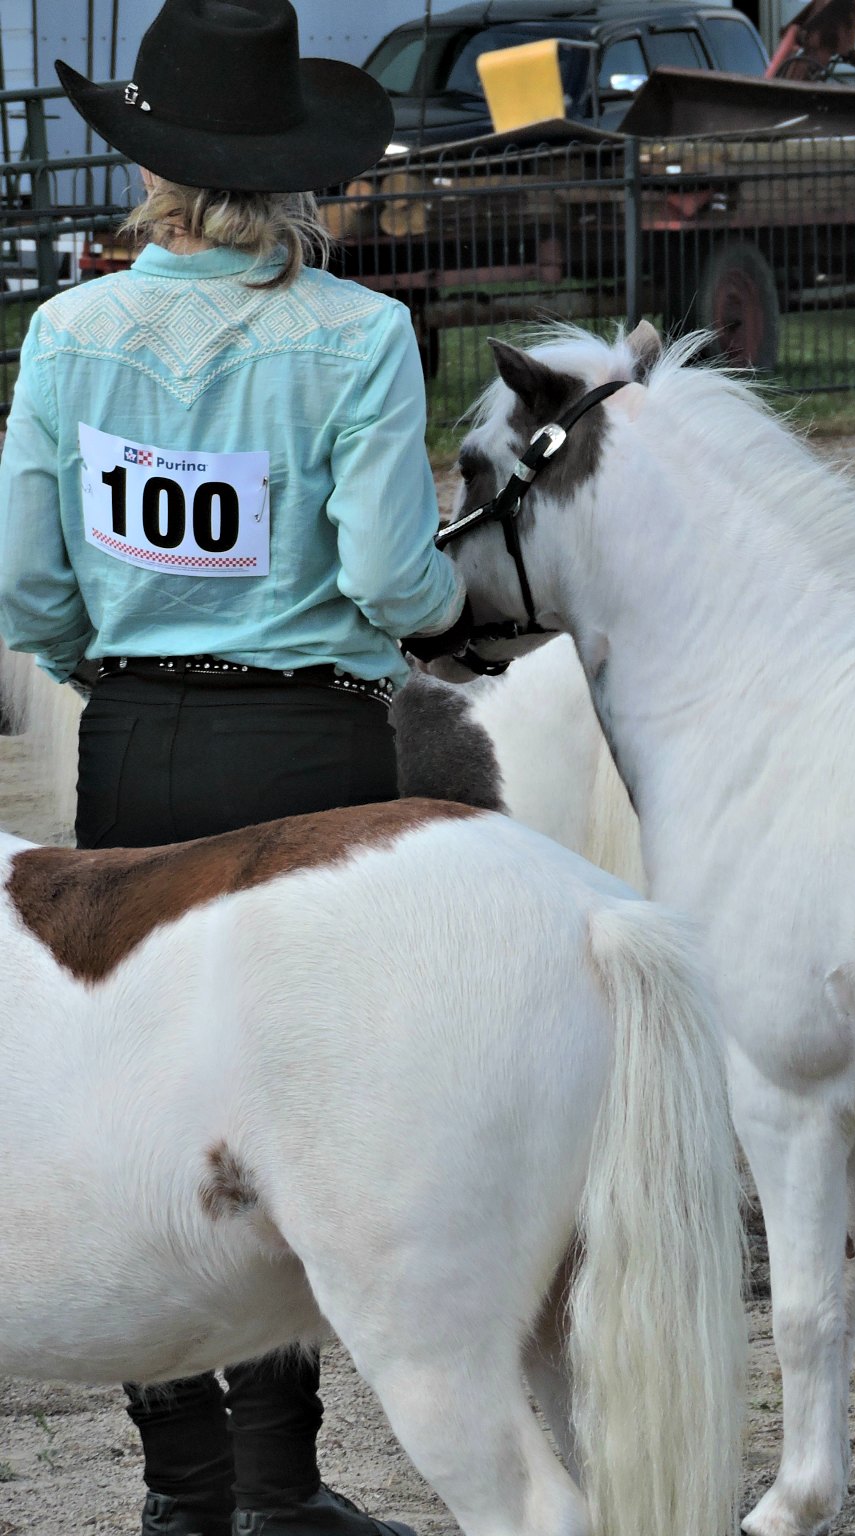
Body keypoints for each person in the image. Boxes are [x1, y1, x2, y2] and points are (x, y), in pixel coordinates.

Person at [0, 3, 461, 1532]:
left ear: (159, 177)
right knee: (306, 1102)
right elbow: (395, 583)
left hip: (134, 734)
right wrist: (449, 608)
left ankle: (180, 1491)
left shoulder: (68, 333)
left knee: (149, 1097)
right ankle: (281, 1481)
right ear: (297, 178)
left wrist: (104, 655)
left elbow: (28, 580)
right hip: (312, 740)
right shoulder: (359, 335)